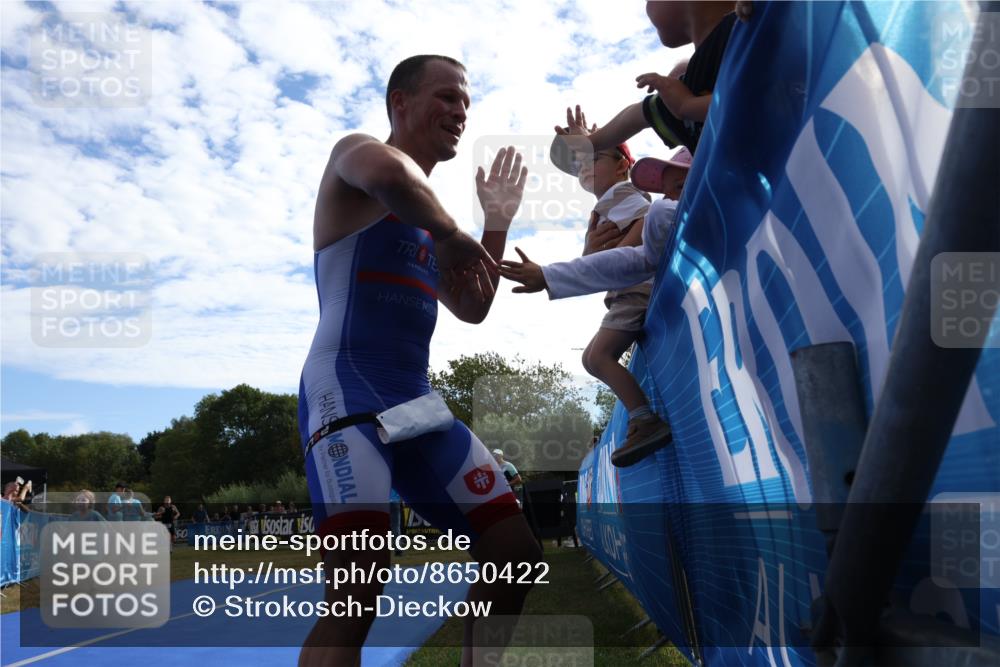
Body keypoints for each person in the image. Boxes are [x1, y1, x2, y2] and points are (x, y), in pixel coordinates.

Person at [297, 54, 543, 667]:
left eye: (465, 103)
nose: (459, 112)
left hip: (413, 401)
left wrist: (493, 225)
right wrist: (457, 233)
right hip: (345, 391)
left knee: (514, 553)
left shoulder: (434, 221)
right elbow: (392, 177)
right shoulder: (356, 158)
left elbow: (473, 305)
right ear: (399, 102)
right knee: (357, 588)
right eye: (446, 97)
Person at [500, 148, 692, 467]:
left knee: (599, 356)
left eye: (592, 162)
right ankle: (640, 417)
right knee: (591, 358)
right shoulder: (608, 203)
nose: (584, 171)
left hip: (635, 289)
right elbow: (599, 257)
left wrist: (554, 273)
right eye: (580, 168)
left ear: (621, 166)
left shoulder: (625, 193)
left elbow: (645, 223)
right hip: (626, 290)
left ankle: (644, 420)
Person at [552, 1, 736, 160]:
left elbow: (755, 98)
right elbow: (636, 116)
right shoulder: (684, 89)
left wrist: (689, 106)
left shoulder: (748, 26)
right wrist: (590, 142)